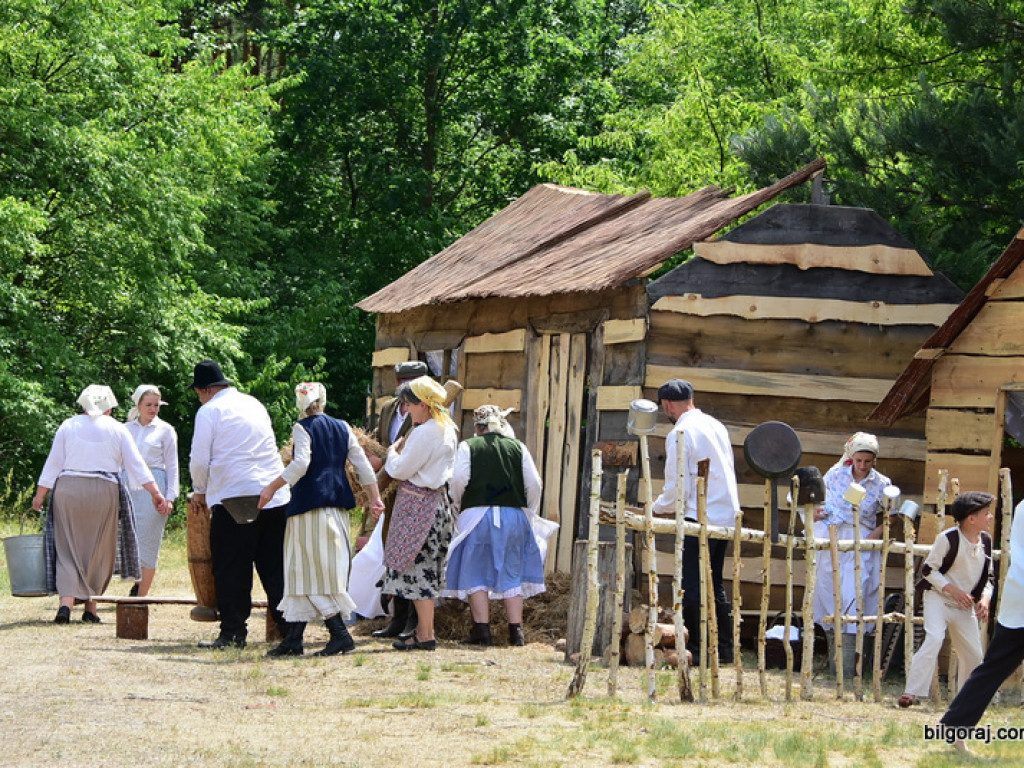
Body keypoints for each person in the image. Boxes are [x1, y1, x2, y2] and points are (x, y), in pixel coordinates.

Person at [258, 382, 385, 657]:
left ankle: (339, 634)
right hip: (337, 510)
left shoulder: (302, 427)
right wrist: (375, 497)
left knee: (307, 571)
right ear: (323, 400)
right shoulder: (342, 426)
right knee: (310, 572)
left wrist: (271, 487)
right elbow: (362, 464)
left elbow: (301, 463)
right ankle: (293, 639)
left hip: (309, 510)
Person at [32, 385, 168, 623]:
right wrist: (156, 493)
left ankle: (66, 605)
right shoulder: (117, 428)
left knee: (67, 548)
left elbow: (53, 464)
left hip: (68, 489)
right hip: (104, 491)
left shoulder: (68, 425)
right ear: (110, 407)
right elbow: (137, 465)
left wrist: (40, 495)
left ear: (84, 405)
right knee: (99, 550)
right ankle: (90, 609)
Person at [188, 360, 292, 650]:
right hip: (274, 494)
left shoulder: (209, 410)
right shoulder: (253, 403)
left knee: (232, 568)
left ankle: (233, 633)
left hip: (235, 495)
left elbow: (199, 459)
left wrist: (199, 491)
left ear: (205, 390)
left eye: (197, 392)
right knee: (276, 568)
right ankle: (289, 631)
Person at [442, 405, 553, 646]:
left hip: (477, 514)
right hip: (514, 516)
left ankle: (482, 631)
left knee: (475, 570)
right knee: (512, 569)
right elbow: (534, 483)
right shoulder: (518, 447)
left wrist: (460, 505)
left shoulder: (468, 446)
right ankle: (516, 632)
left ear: (478, 427)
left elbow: (458, 479)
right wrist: (527, 511)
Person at [651, 378, 740, 664]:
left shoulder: (680, 432)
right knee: (714, 583)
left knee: (690, 583)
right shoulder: (716, 425)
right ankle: (724, 649)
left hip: (699, 515)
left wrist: (654, 509)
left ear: (667, 404)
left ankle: (698, 650)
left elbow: (678, 489)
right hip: (724, 515)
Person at [379, 375, 458, 651]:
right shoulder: (447, 428)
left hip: (419, 509)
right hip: (434, 504)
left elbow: (400, 470)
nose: (406, 410)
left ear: (424, 404)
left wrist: (391, 452)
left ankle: (426, 635)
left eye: (409, 405)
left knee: (420, 573)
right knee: (423, 572)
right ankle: (425, 631)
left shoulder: (426, 432)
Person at [939, 497, 1024, 752]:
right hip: (1020, 599)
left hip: (1017, 597)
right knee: (993, 669)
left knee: (992, 669)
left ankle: (955, 727)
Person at [899, 491, 994, 708]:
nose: (990, 518)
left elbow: (989, 578)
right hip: (938, 599)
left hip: (964, 606)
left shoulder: (986, 542)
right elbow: (928, 570)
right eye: (986, 514)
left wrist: (985, 599)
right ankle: (911, 692)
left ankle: (967, 699)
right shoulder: (948, 538)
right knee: (934, 638)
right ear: (971, 518)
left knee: (973, 653)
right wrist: (952, 589)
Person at [813, 432, 892, 673]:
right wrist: (816, 513)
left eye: (868, 461)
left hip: (861, 538)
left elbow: (891, 516)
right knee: (829, 590)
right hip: (832, 535)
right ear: (851, 457)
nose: (862, 466)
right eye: (859, 460)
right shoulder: (835, 475)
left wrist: (875, 535)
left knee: (857, 592)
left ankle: (852, 663)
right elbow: (817, 502)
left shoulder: (882, 483)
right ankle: (834, 656)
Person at [361, 360, 428, 639]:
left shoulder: (429, 411)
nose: (405, 384)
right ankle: (397, 619)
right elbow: (380, 442)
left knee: (414, 556)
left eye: (412, 379)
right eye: (402, 379)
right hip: (390, 492)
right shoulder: (389, 408)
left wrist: (391, 458)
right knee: (394, 553)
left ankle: (415, 620)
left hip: (415, 489)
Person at [124, 384, 179, 597]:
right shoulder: (126, 429)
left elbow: (172, 465)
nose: (153, 409)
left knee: (149, 539)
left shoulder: (166, 430)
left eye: (156, 405)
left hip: (155, 485)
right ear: (138, 405)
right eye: (148, 404)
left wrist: (170, 496)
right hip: (129, 485)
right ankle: (137, 581)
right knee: (127, 538)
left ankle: (141, 595)